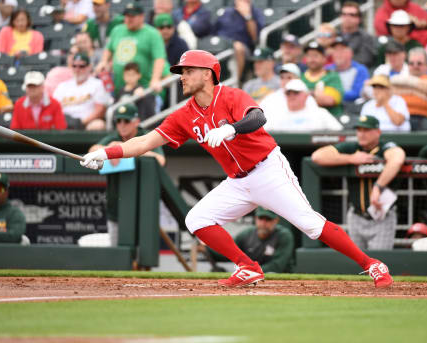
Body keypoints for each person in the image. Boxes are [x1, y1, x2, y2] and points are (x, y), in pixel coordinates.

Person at [80, 49, 394, 288]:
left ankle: (372, 264)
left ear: (207, 74)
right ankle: (248, 266)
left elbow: (258, 117)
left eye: (188, 71)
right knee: (198, 219)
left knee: (311, 225)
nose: (182, 76)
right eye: (181, 72)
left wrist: (232, 128)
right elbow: (145, 142)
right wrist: (107, 153)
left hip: (268, 169)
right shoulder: (184, 115)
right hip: (238, 180)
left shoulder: (230, 95)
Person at [312, 115, 406, 250]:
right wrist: (350, 158)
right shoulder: (352, 148)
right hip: (356, 216)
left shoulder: (385, 146)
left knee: (379, 261)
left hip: (382, 216)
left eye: (366, 130)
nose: (362, 134)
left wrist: (378, 187)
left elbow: (397, 159)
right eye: (359, 130)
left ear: (378, 132)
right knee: (356, 263)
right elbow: (317, 156)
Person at [87, 102, 165, 247]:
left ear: (136, 121)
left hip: (142, 205)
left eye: (126, 121)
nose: (122, 125)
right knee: (117, 252)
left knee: (142, 252)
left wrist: (125, 151)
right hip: (115, 203)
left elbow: (160, 160)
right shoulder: (114, 137)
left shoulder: (145, 136)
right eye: (119, 121)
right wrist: (111, 149)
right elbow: (92, 150)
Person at [96, 2, 168, 96]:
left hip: (144, 90)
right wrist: (104, 61)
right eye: (126, 16)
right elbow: (109, 48)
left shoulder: (152, 34)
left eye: (132, 16)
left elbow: (159, 58)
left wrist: (155, 79)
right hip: (120, 89)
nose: (129, 19)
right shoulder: (117, 30)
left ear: (142, 16)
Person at [199, 207, 295, 273]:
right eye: (261, 218)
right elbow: (229, 252)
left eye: (268, 219)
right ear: (256, 218)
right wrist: (208, 246)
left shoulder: (284, 235)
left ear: (276, 220)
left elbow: (277, 265)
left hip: (278, 278)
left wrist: (250, 272)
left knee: (272, 273)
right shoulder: (246, 234)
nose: (264, 223)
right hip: (252, 277)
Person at [53, 52, 112, 130]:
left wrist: (82, 122)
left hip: (86, 123)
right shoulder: (63, 86)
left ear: (89, 67)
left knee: (98, 125)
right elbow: (53, 107)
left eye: (81, 66)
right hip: (64, 121)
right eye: (74, 66)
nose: (77, 69)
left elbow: (100, 110)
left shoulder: (98, 84)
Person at [390, 47, 427, 130]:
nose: (415, 66)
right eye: (411, 63)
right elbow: (388, 91)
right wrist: (419, 91)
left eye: (419, 63)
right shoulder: (399, 79)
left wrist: (408, 83)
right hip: (401, 120)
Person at [263, 79, 343, 132]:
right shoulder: (276, 115)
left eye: (296, 93)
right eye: (288, 93)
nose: (292, 96)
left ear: (306, 95)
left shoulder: (320, 113)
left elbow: (339, 132)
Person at [214, 0, 265, 81]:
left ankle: (235, 82)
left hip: (243, 48)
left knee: (238, 47)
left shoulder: (255, 12)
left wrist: (247, 15)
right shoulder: (226, 11)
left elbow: (255, 38)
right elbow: (214, 31)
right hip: (223, 44)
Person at [301, 41, 344, 118]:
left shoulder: (332, 76)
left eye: (315, 56)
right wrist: (317, 94)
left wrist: (306, 95)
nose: (312, 59)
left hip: (331, 120)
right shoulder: (301, 78)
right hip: (306, 121)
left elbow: (329, 101)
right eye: (309, 56)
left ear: (324, 58)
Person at [327, 36, 369, 103]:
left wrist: (333, 95)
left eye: (342, 50)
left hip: (352, 107)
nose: (338, 54)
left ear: (350, 53)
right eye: (335, 50)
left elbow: (357, 93)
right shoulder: (327, 69)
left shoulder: (360, 69)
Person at [338, 1, 376, 68]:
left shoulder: (366, 38)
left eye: (352, 15)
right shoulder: (335, 36)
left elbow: (366, 60)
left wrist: (342, 59)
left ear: (359, 18)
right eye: (344, 14)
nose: (347, 17)